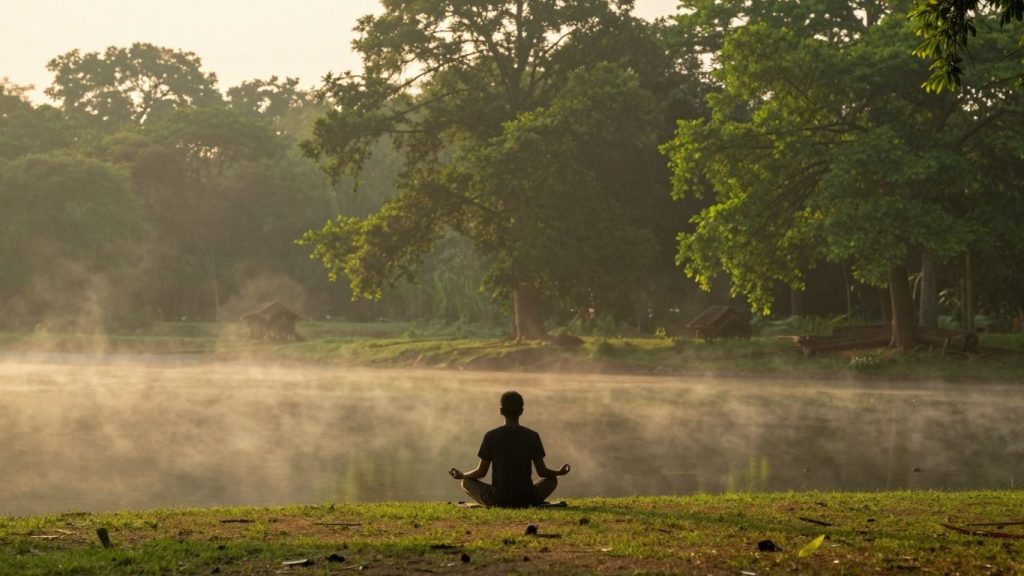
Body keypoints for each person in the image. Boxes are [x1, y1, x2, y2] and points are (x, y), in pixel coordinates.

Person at [448, 390, 571, 507]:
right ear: (521, 411)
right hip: (526, 499)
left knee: (466, 482)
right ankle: (528, 499)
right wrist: (559, 472)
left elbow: (481, 472)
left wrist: (462, 475)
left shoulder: (491, 436)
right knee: (552, 480)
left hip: (498, 499)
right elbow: (542, 472)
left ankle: (491, 502)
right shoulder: (532, 436)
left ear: (501, 411)